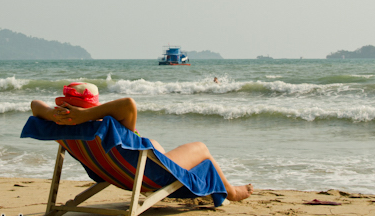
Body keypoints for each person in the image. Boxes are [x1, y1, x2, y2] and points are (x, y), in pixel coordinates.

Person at [30, 83, 253, 202]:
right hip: (149, 176)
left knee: (153, 144)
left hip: (113, 172)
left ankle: (211, 191)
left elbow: (35, 105)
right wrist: (86, 115)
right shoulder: (105, 125)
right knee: (201, 148)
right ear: (93, 106)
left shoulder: (59, 123)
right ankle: (231, 192)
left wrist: (57, 114)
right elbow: (128, 104)